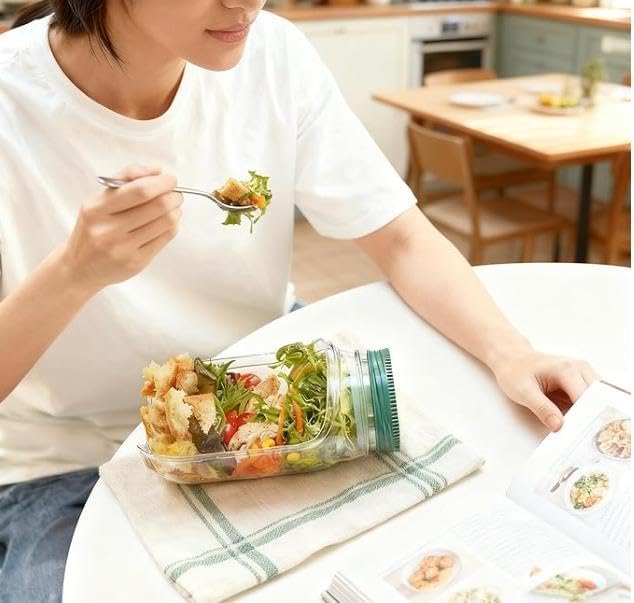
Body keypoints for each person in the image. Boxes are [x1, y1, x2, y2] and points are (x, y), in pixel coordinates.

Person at [0, 1, 597, 601]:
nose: (246, 3)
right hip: (66, 462)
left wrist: (511, 352)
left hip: (274, 410)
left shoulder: (272, 55)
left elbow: (400, 237)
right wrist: (74, 273)